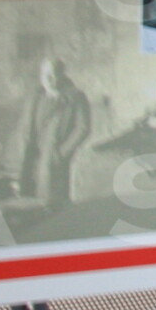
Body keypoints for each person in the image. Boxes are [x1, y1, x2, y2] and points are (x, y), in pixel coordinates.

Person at [15, 57, 91, 212]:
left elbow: (83, 128)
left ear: (61, 75)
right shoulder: (35, 97)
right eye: (44, 74)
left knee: (52, 206)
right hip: (31, 157)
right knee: (28, 203)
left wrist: (61, 153)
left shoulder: (75, 97)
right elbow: (25, 128)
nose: (48, 79)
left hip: (53, 158)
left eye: (52, 74)